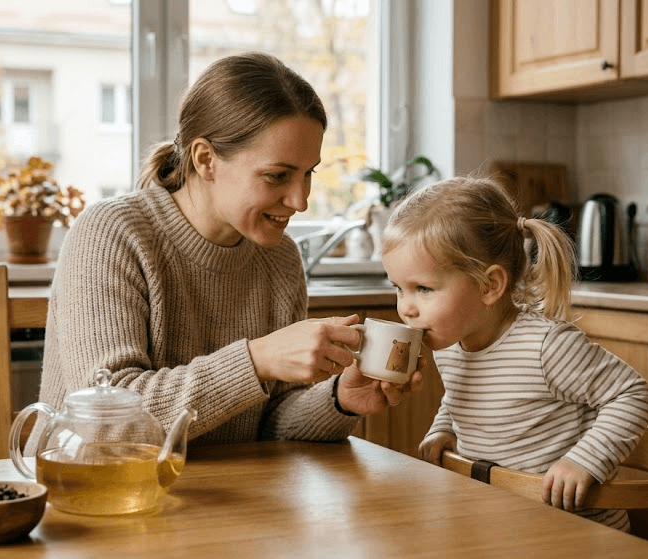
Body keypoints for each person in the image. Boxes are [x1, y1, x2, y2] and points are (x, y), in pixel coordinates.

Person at [37, 52, 422, 448]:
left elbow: (269, 423)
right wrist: (255, 361)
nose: (300, 200)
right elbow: (103, 424)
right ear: (206, 160)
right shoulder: (113, 233)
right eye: (277, 175)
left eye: (308, 174)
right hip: (88, 495)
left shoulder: (280, 258)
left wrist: (340, 399)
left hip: (221, 495)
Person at [382, 176, 648, 531]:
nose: (406, 308)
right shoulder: (451, 345)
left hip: (575, 533)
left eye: (422, 289)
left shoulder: (548, 346)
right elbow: (464, 396)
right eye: (398, 289)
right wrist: (444, 428)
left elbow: (632, 394)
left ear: (490, 285)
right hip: (501, 523)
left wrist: (584, 462)